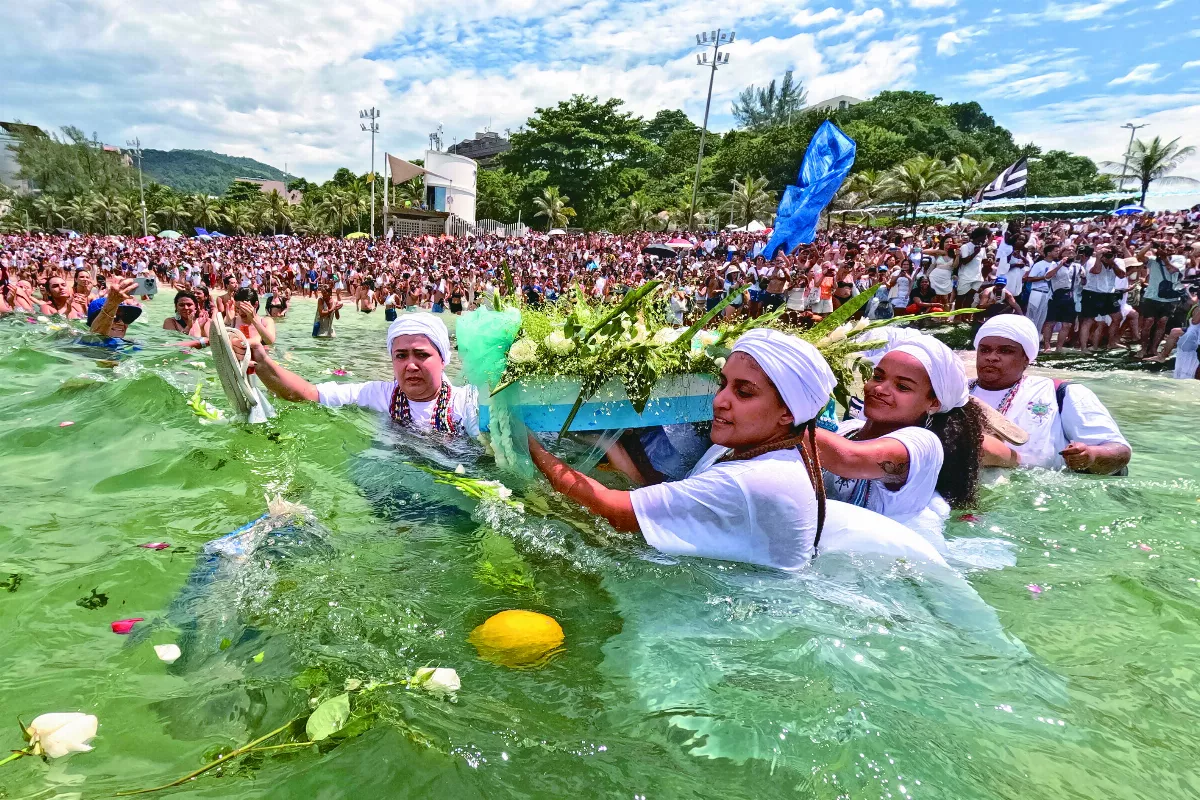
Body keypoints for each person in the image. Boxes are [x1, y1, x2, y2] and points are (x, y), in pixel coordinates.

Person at [526, 329, 835, 569]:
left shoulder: (754, 479)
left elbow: (612, 511)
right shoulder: (748, 449)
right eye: (722, 384)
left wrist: (527, 443)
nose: (719, 400)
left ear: (788, 413)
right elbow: (673, 495)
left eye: (743, 392)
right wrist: (610, 443)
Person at [816, 333, 1002, 547]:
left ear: (933, 403)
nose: (879, 389)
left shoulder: (923, 445)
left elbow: (850, 460)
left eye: (902, 387)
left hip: (882, 565)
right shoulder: (847, 429)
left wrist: (780, 417)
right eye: (878, 377)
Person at [246, 313, 479, 437]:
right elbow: (307, 393)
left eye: (421, 355)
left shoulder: (468, 403)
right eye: (400, 356)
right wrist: (261, 361)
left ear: (443, 359)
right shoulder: (376, 395)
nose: (410, 365)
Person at [972, 316, 1132, 474]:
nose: (991, 357)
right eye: (984, 349)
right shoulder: (957, 394)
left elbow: (1120, 451)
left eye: (1005, 351)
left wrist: (1091, 456)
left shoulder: (1060, 393)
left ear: (1026, 359)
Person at [86, 277, 143, 344]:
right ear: (94, 321)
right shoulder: (85, 343)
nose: (121, 323)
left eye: (126, 318)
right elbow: (96, 336)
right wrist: (111, 304)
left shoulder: (133, 345)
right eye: (115, 317)